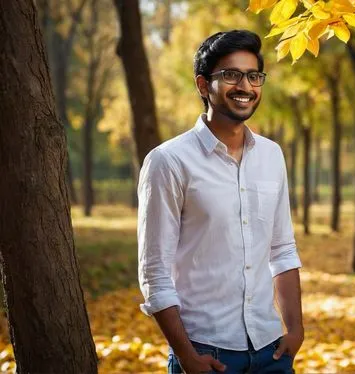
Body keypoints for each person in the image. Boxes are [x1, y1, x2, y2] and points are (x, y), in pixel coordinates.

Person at [137, 29, 303, 374]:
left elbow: (282, 250)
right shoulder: (169, 161)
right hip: (206, 355)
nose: (245, 87)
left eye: (253, 76)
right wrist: (186, 356)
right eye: (231, 75)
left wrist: (296, 330)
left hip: (272, 351)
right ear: (203, 85)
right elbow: (154, 272)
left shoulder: (272, 156)